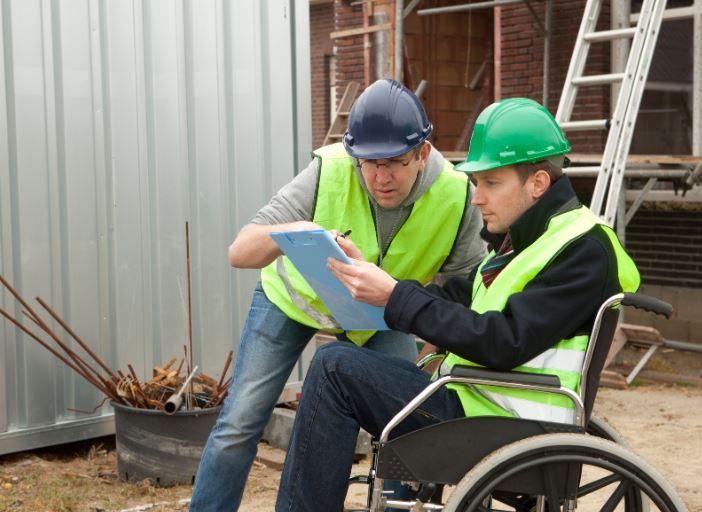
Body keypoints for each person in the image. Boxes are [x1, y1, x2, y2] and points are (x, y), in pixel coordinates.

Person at [274, 98, 641, 512]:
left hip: (504, 421)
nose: (475, 198)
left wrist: (395, 296)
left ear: (537, 183)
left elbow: (505, 341)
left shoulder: (582, 249)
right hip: (480, 403)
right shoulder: (528, 240)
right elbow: (452, 299)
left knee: (333, 368)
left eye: (491, 183)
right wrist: (382, 285)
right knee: (337, 362)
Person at [189, 79, 486, 511]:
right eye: (369, 164)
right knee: (240, 422)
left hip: (379, 316)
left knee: (410, 423)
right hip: (291, 303)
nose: (381, 178)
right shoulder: (327, 169)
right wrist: (294, 231)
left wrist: (433, 353)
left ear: (422, 154)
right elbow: (240, 251)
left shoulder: (457, 196)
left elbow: (465, 291)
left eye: (396, 163)